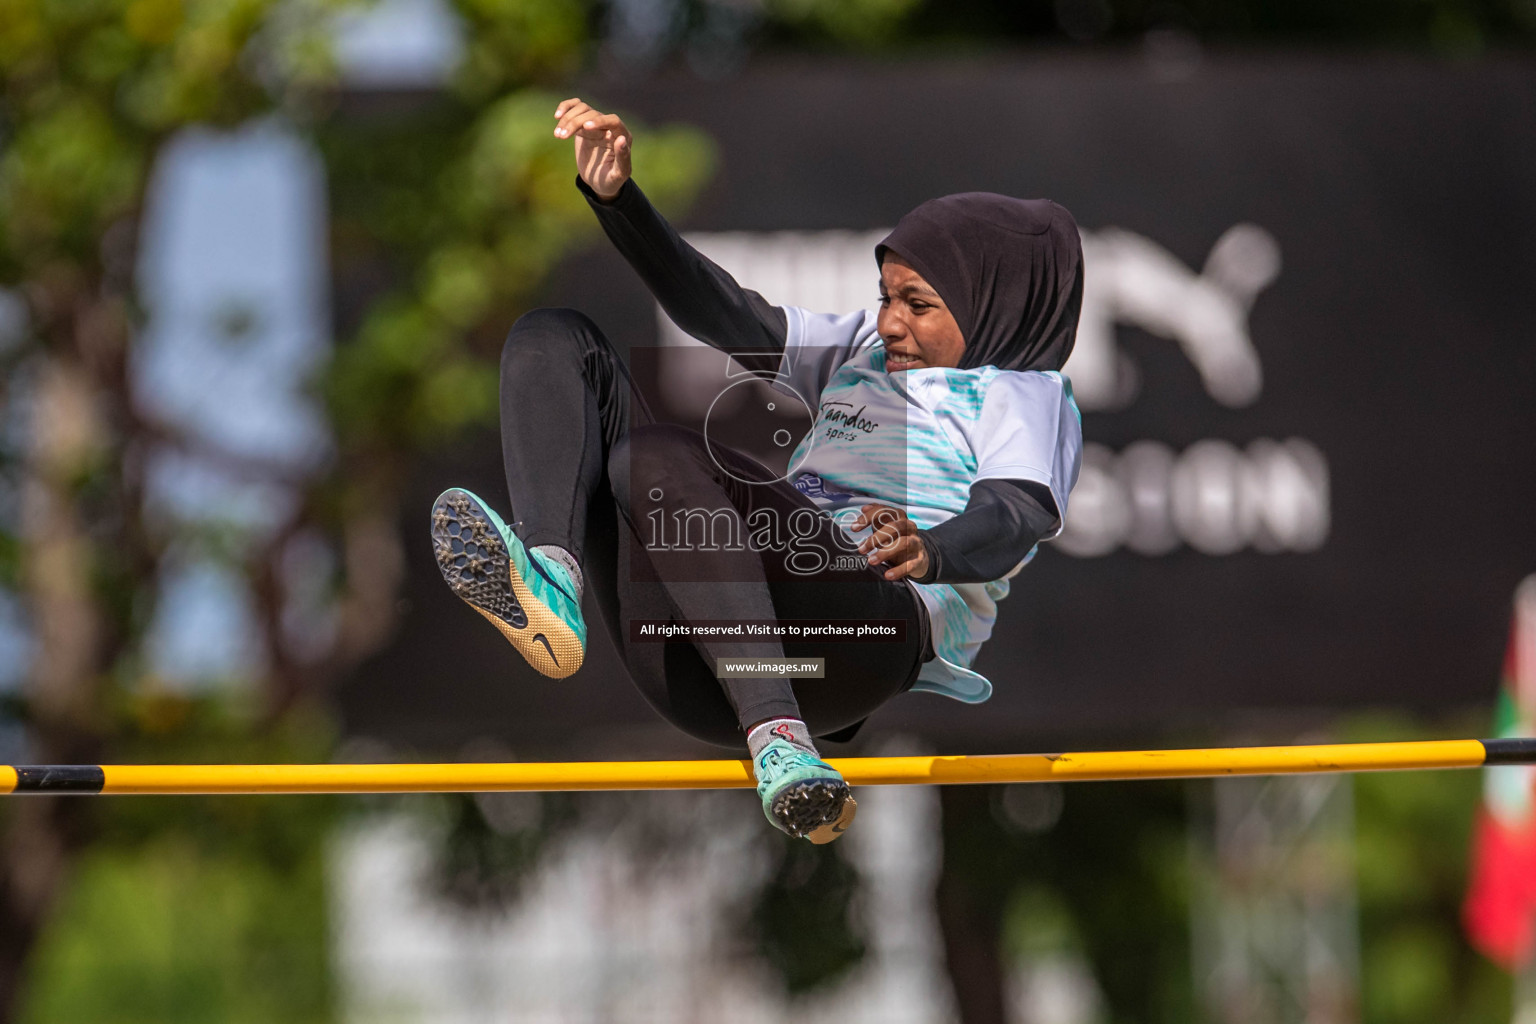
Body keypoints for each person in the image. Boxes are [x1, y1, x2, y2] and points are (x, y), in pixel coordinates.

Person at [430, 98, 1084, 844]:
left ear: (995, 307)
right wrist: (619, 202)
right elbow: (723, 313)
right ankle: (552, 575)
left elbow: (1017, 513)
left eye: (918, 304)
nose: (890, 322)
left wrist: (934, 550)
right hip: (700, 664)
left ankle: (782, 743)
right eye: (885, 297)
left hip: (855, 642)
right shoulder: (859, 351)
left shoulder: (1020, 391)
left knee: (657, 460)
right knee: (555, 339)